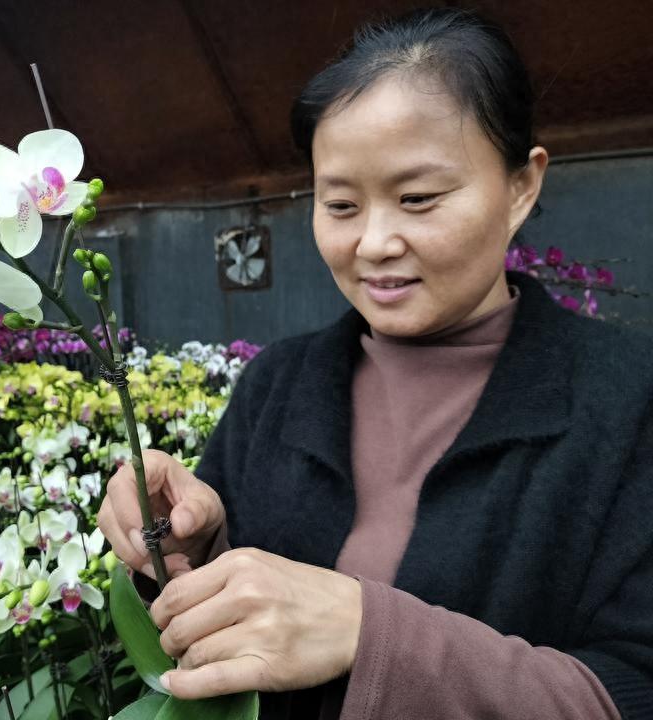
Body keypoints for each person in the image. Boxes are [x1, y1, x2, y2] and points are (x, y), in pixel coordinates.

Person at [97, 7, 653, 719]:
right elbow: (222, 648)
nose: (374, 243)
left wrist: (369, 633)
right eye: (340, 204)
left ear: (522, 186)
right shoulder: (279, 385)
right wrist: (191, 551)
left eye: (417, 199)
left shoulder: (629, 404)